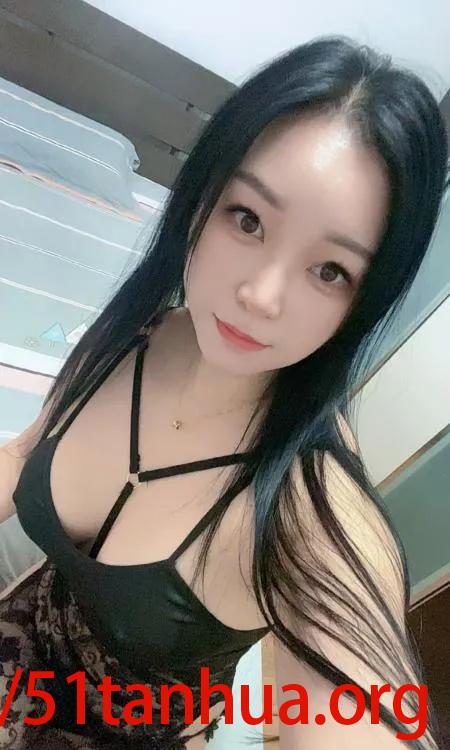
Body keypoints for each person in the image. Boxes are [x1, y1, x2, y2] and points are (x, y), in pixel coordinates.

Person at [0, 34, 448, 750]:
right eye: (248, 219)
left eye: (329, 270)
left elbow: (363, 702)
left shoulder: (309, 514)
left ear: (366, 299)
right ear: (204, 197)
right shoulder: (140, 328)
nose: (260, 296)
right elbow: (24, 452)